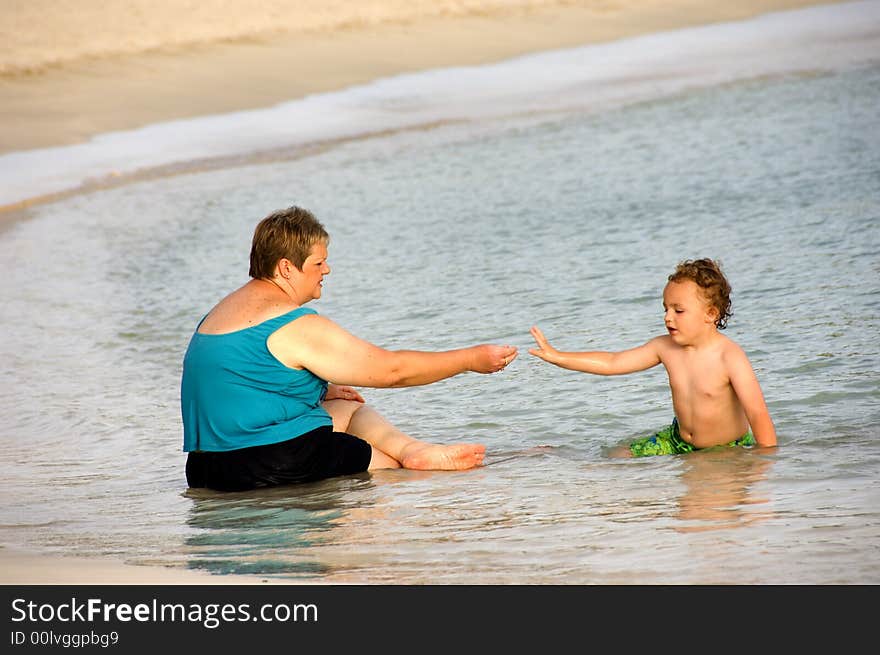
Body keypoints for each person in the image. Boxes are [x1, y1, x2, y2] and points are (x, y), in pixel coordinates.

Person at [181, 206, 518, 491]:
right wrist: (470, 359)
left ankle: (416, 448)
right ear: (286, 267)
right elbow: (391, 371)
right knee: (401, 473)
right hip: (271, 463)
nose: (326, 270)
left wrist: (322, 390)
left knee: (346, 407)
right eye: (317, 263)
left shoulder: (217, 315)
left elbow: (236, 382)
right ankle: (422, 477)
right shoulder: (291, 322)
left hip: (206, 469)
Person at [528, 258, 777, 457]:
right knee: (616, 457)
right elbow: (613, 363)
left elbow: (758, 414)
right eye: (665, 309)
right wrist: (558, 356)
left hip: (727, 447)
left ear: (710, 314)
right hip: (677, 441)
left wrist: (764, 463)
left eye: (678, 311)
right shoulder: (665, 347)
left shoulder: (729, 357)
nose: (668, 317)